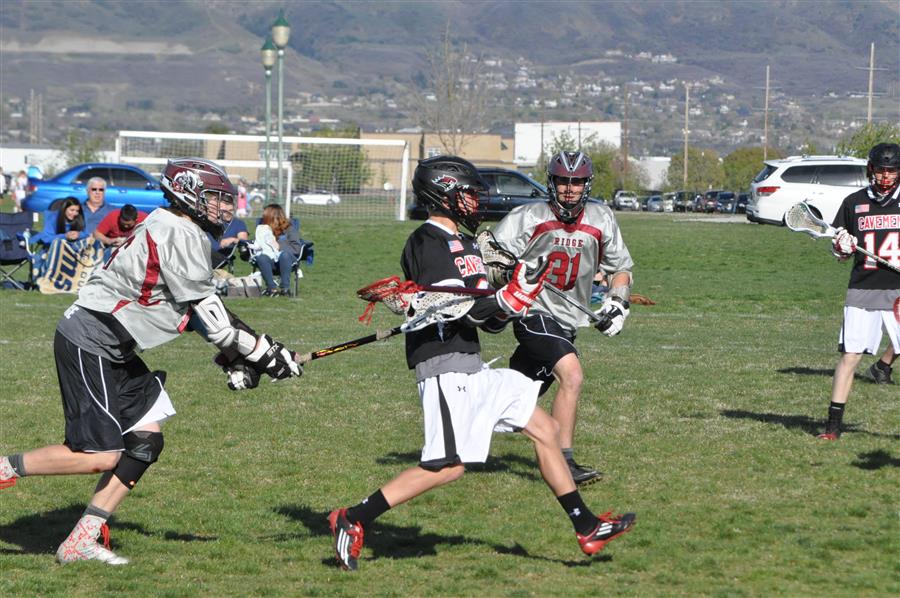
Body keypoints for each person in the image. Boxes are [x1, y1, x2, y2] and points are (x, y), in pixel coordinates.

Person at [327, 156, 635, 572]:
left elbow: (488, 322)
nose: (476, 202)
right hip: (443, 363)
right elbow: (458, 308)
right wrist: (509, 297)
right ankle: (352, 518)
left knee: (545, 430)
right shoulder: (426, 241)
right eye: (468, 194)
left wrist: (515, 293)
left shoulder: (469, 245)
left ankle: (587, 527)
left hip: (472, 362)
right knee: (447, 468)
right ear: (443, 195)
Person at [0, 157, 303, 565]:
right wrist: (264, 353)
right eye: (215, 198)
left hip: (114, 343)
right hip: (91, 340)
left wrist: (239, 356)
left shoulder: (175, 226)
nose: (225, 208)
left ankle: (80, 541)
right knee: (100, 455)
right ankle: (4, 468)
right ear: (189, 195)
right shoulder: (178, 231)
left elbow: (190, 309)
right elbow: (212, 317)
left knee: (145, 441)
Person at [490, 151, 634, 485]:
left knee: (516, 397)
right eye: (563, 181)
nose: (569, 189)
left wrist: (617, 303)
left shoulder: (601, 218)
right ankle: (564, 462)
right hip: (533, 312)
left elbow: (620, 268)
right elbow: (490, 259)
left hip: (568, 320)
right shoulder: (528, 216)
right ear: (551, 182)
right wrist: (509, 272)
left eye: (576, 182)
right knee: (572, 375)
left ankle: (465, 415)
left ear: (587, 184)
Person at [818, 142, 900, 440]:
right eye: (881, 170)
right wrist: (841, 247)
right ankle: (832, 427)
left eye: (892, 170)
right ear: (871, 169)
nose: (886, 176)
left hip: (898, 291)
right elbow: (839, 253)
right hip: (863, 288)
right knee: (850, 356)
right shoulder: (853, 202)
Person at [252, 203, 301, 296]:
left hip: (287, 260)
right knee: (262, 257)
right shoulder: (263, 230)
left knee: (284, 255)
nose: (263, 218)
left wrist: (279, 246)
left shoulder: (289, 229)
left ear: (273, 217)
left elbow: (296, 248)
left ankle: (285, 288)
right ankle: (271, 288)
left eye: (265, 216)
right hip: (270, 261)